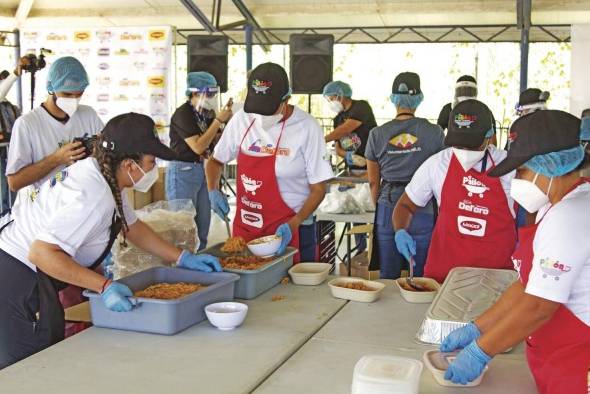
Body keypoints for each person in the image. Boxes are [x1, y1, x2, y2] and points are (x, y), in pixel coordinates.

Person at [0, 113, 222, 370]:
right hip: (13, 277)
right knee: (26, 367)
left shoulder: (104, 176)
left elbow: (132, 227)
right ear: (129, 164)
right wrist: (104, 286)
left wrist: (181, 257)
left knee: (47, 350)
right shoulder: (92, 196)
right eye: (151, 162)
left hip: (27, 269)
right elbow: (41, 253)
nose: (153, 168)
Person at [441, 110, 590, 392]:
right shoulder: (555, 204)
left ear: (550, 165)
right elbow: (528, 287)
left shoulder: (569, 215)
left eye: (522, 170)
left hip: (580, 358)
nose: (517, 180)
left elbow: (539, 306)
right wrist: (479, 327)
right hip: (558, 354)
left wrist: (480, 351)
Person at [206, 62, 333, 262]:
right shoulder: (241, 120)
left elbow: (319, 188)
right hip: (246, 229)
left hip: (290, 229)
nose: (261, 115)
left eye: (267, 109)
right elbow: (214, 162)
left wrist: (296, 222)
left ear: (286, 99)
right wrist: (213, 190)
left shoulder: (307, 127)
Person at [393, 100, 517, 283]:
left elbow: (534, 215)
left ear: (489, 135)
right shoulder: (437, 164)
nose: (465, 151)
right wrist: (400, 231)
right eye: (459, 145)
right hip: (445, 274)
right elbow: (405, 204)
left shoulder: (511, 166)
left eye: (471, 144)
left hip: (496, 277)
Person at [365, 72, 444, 279]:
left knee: (388, 276)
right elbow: (442, 174)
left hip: (388, 205)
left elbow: (373, 182)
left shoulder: (376, 134)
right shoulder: (434, 132)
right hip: (422, 206)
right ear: (419, 98)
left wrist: (381, 206)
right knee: (420, 276)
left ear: (393, 99)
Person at [6, 56, 104, 193]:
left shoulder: (88, 115)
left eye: (79, 94)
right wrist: (57, 159)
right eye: (67, 94)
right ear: (51, 87)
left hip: (80, 203)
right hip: (43, 209)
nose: (73, 100)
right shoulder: (27, 124)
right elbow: (14, 183)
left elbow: (108, 157)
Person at [166, 71, 233, 250]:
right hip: (182, 171)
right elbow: (198, 146)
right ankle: (182, 266)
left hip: (202, 169)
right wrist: (218, 121)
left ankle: (200, 260)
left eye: (213, 94)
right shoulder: (183, 114)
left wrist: (227, 124)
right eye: (208, 94)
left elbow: (215, 141)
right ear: (195, 93)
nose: (211, 98)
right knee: (184, 227)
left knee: (203, 223)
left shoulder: (206, 114)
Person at [322, 80, 377, 254]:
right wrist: (346, 155)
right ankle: (361, 250)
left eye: (331, 97)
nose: (330, 101)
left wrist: (319, 139)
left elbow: (346, 129)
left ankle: (375, 249)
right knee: (356, 208)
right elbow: (338, 146)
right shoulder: (337, 118)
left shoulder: (361, 107)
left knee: (371, 206)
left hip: (371, 167)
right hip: (353, 169)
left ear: (340, 94)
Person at [438, 75, 498, 145]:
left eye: (469, 91)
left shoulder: (484, 111)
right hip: (453, 150)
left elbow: (492, 141)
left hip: (477, 151)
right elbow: (438, 134)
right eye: (462, 91)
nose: (465, 94)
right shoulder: (448, 109)